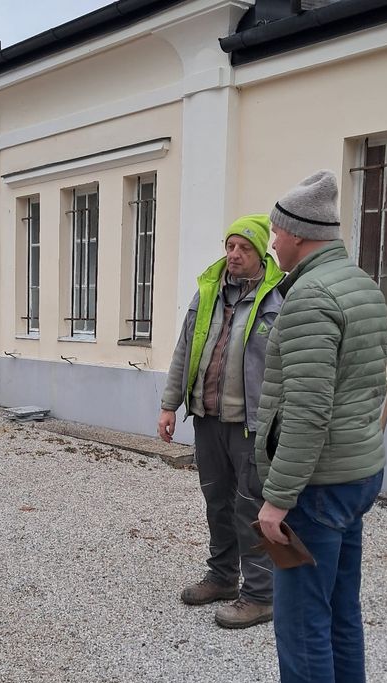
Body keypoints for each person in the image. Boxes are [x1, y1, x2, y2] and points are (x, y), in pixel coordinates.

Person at [244, 171, 387, 683]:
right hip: (356, 474)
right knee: (340, 612)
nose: (271, 242)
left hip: (316, 485)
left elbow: (306, 411)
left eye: (276, 232)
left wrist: (277, 499)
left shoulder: (308, 298)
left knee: (302, 621)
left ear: (298, 234)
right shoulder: (362, 285)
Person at [158, 215, 284, 629]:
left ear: (261, 251)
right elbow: (183, 350)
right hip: (208, 418)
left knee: (252, 506)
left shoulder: (278, 298)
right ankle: (223, 576)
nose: (234, 254)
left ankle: (260, 594)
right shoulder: (208, 293)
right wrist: (169, 405)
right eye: (230, 246)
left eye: (244, 247)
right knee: (217, 502)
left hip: (251, 425)